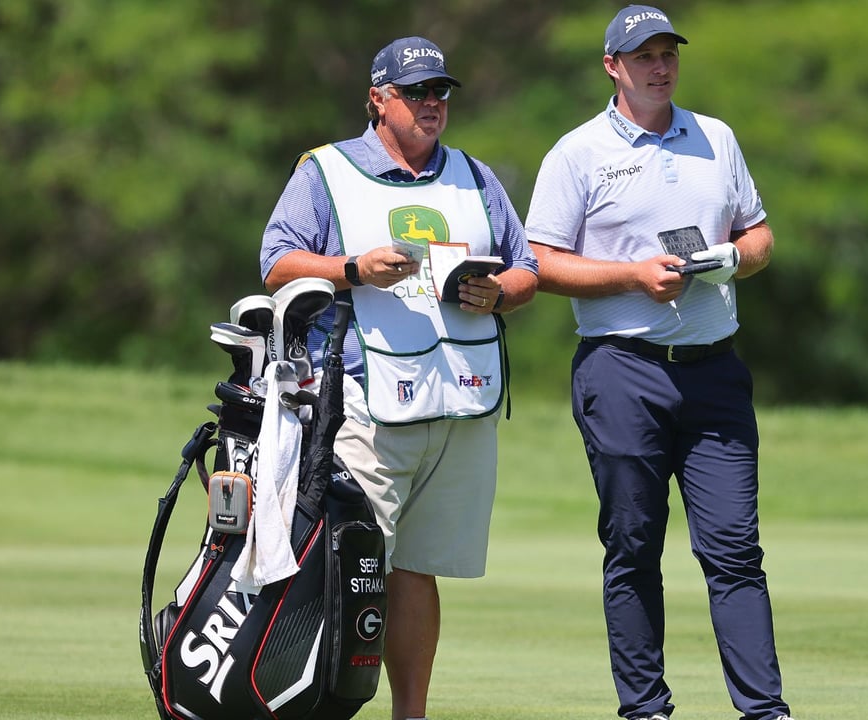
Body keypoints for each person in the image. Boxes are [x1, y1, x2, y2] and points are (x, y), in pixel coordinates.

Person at [524, 6, 793, 720]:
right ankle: (646, 710)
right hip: (622, 371)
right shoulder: (576, 154)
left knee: (735, 551)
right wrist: (632, 277)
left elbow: (759, 233)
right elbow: (541, 264)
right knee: (634, 548)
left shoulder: (717, 137)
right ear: (613, 66)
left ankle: (764, 710)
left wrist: (736, 256)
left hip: (714, 371)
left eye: (668, 51)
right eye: (643, 55)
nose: (660, 65)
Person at [259, 35, 537, 720]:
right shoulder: (326, 169)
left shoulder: (474, 174)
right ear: (378, 99)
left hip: (461, 403)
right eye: (416, 93)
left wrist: (501, 292)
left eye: (440, 92)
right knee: (342, 567)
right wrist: (353, 268)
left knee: (418, 569)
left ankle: (409, 714)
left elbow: (528, 267)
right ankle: (307, 703)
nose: (432, 105)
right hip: (366, 403)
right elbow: (275, 261)